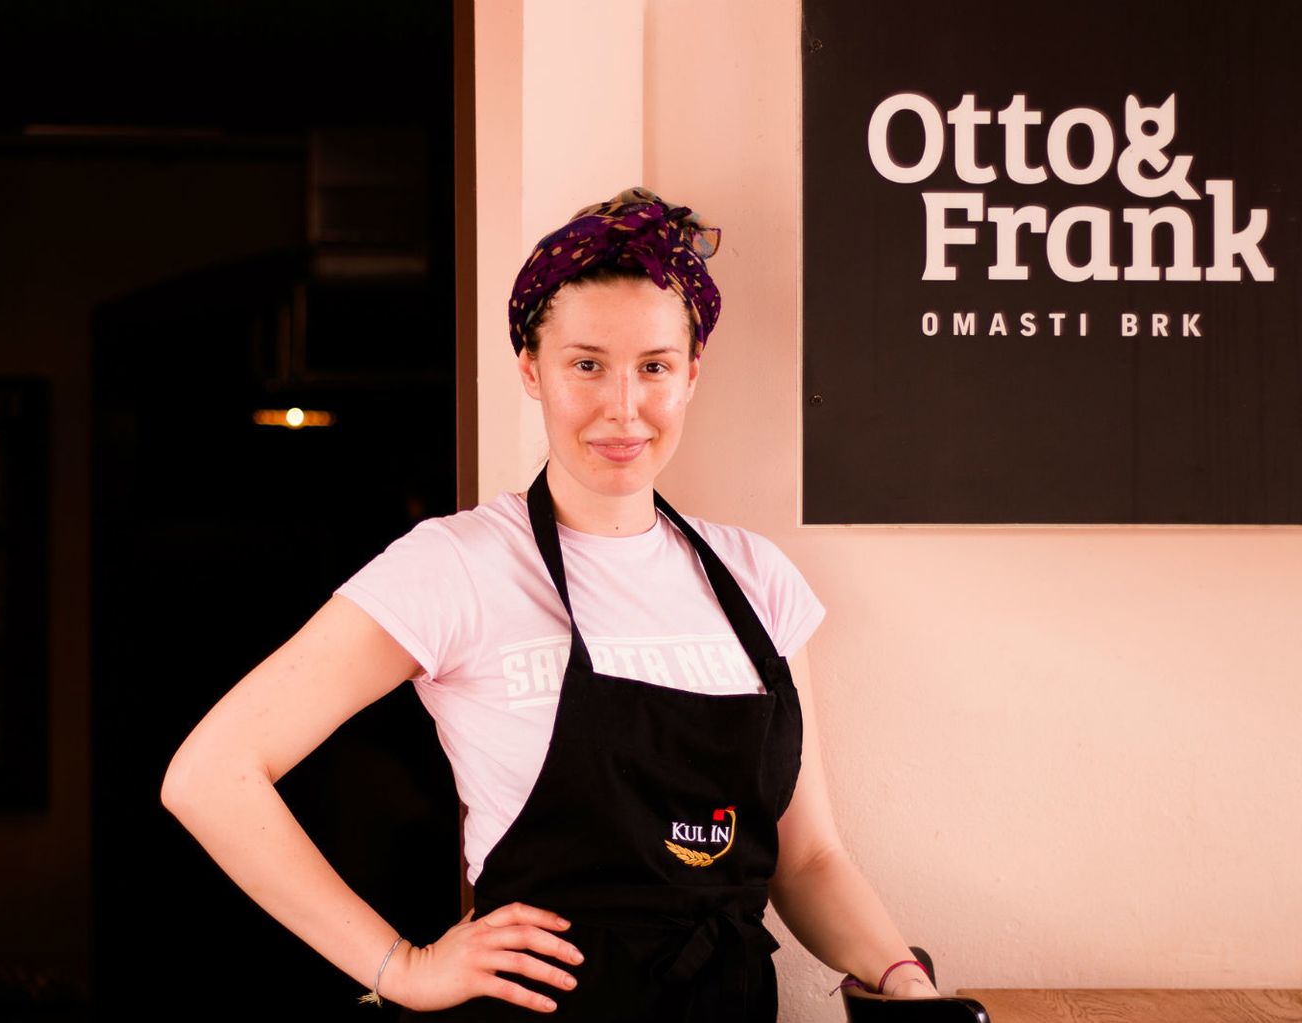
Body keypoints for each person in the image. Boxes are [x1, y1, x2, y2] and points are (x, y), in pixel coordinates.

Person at [161, 187, 939, 1021]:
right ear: (531, 369)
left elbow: (807, 859)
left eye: (654, 366)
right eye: (587, 364)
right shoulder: (459, 565)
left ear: (691, 374)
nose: (623, 406)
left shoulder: (759, 579)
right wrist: (402, 967)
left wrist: (902, 976)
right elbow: (210, 775)